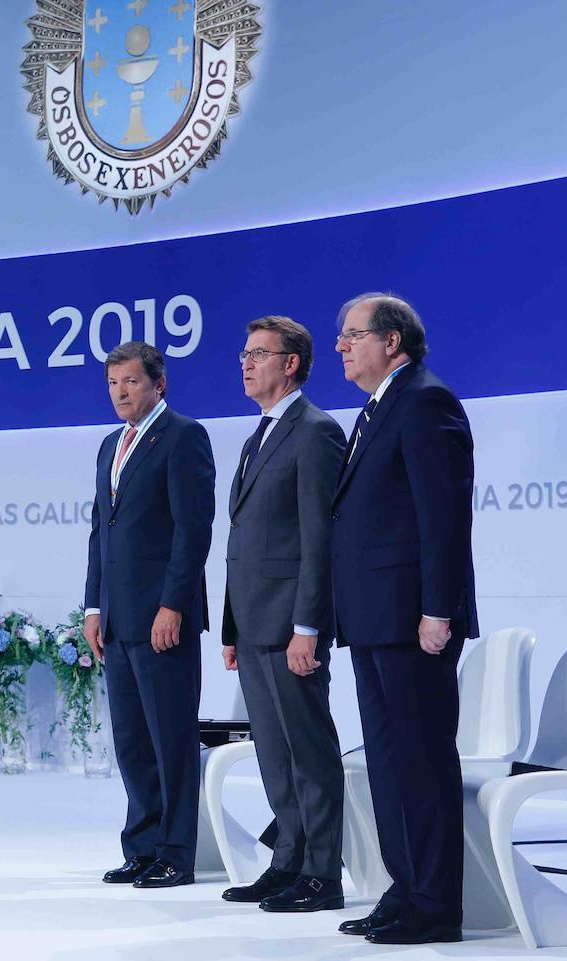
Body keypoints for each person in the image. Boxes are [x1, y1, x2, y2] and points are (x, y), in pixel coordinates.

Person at [330, 293, 477, 945]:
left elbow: (441, 516)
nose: (341, 346)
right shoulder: (377, 408)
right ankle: (404, 887)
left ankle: (436, 903)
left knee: (420, 762)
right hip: (372, 619)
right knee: (389, 766)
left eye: (352, 335)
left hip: (414, 619)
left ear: (392, 341)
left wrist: (437, 608)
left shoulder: (424, 399)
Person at [218, 316, 347, 912]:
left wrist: (308, 626)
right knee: (274, 754)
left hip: (292, 626)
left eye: (258, 354)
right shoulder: (257, 437)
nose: (246, 363)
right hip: (253, 624)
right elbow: (242, 539)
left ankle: (322, 874)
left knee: (309, 752)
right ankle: (288, 860)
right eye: (244, 354)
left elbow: (319, 539)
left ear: (291, 362)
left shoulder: (315, 432)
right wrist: (230, 627)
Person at [84, 340, 215, 889]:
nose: (120, 392)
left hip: (163, 618)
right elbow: (100, 531)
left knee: (171, 740)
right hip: (116, 619)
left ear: (158, 384)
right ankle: (141, 844)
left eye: (131, 382)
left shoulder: (183, 436)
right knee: (132, 741)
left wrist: (173, 604)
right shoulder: (110, 444)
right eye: (113, 383)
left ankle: (175, 853)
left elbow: (192, 532)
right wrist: (93, 605)